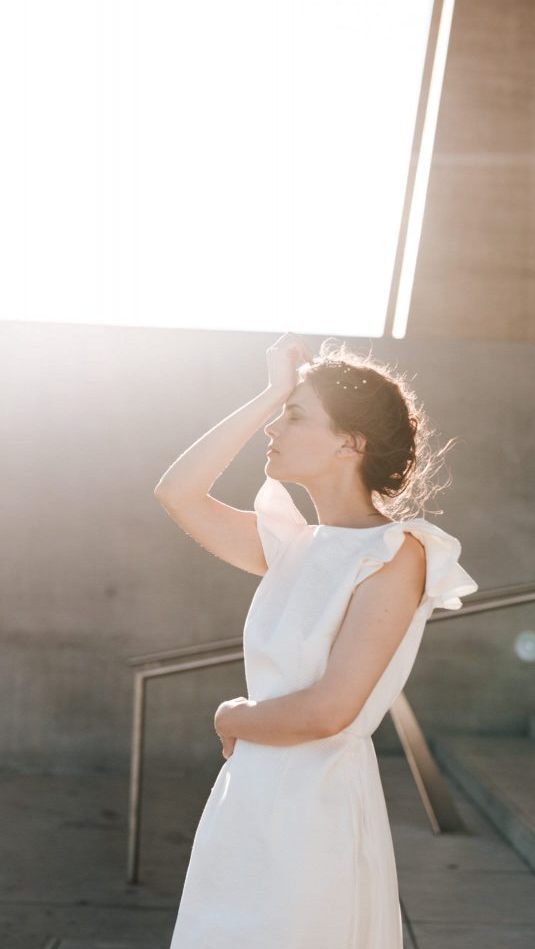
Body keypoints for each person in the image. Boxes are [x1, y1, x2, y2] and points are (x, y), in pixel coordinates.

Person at [154, 332, 478, 949]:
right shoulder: (292, 543)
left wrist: (233, 715)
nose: (274, 428)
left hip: (313, 810)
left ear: (349, 443)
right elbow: (177, 492)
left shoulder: (394, 553)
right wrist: (271, 392)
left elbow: (331, 710)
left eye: (294, 416)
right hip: (248, 801)